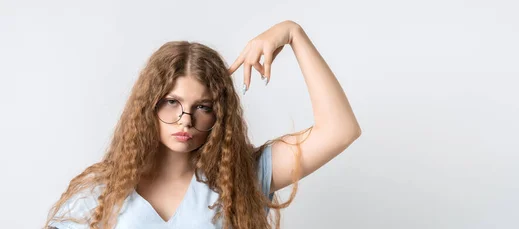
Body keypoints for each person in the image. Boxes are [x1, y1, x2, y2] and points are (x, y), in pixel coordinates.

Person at [44, 20, 361, 229]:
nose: (186, 119)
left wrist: (292, 33)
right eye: (172, 102)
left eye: (203, 107)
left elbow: (340, 130)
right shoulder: (102, 191)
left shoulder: (244, 176)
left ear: (219, 114)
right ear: (148, 105)